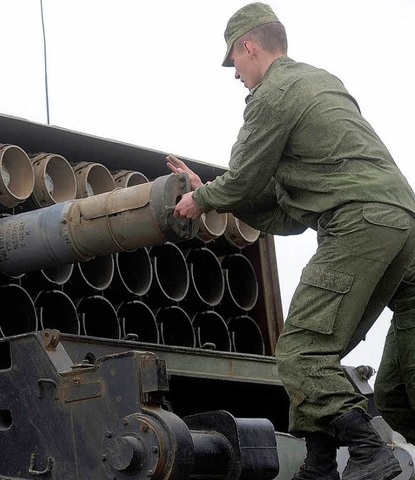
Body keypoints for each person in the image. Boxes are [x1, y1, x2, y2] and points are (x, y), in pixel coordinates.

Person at [167, 3, 415, 480]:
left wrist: (202, 200)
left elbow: (241, 182)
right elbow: (286, 217)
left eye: (234, 63)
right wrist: (215, 192)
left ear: (249, 46)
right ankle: (320, 464)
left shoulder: (272, 95)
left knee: (299, 350)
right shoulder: (321, 82)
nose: (235, 75)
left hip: (357, 223)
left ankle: (368, 452)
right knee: (339, 361)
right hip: (400, 228)